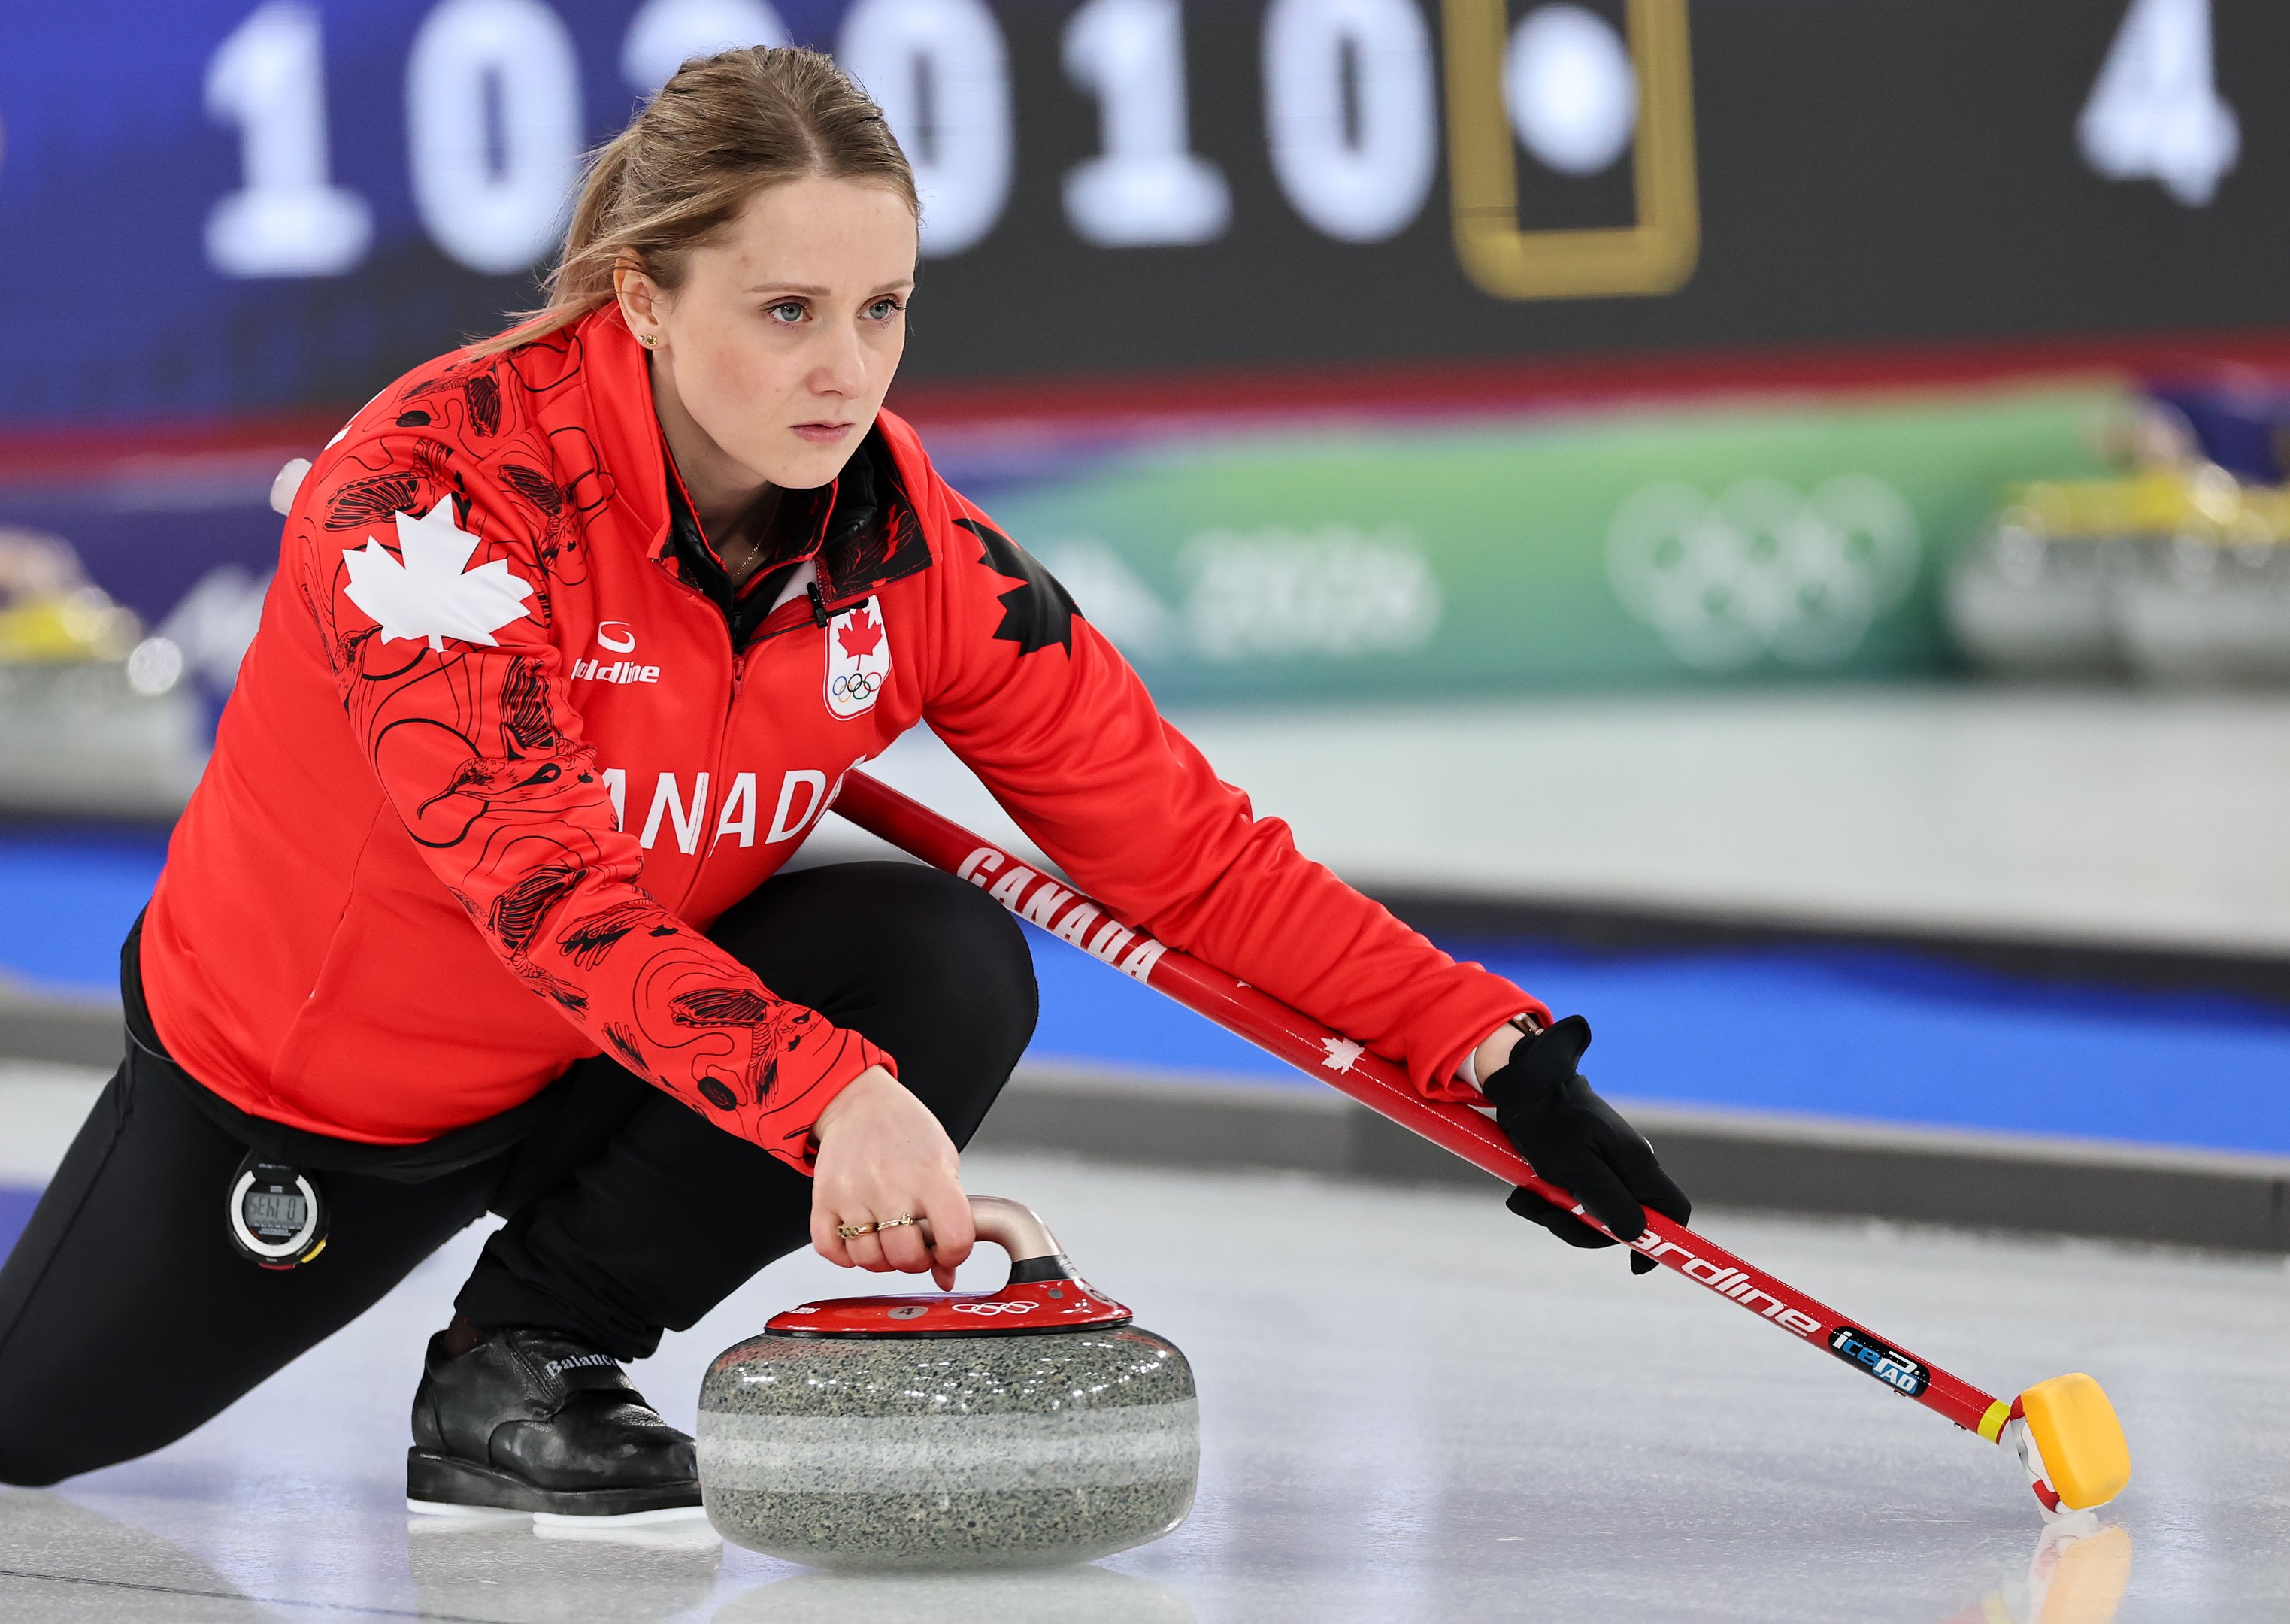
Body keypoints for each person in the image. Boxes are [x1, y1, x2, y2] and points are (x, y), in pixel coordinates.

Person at [0, 47, 1687, 1516]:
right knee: (26, 1431)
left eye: (881, 309)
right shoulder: (434, 503)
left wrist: (1485, 1050)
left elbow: (1187, 856)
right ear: (643, 298)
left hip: (619, 1066)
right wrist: (829, 1098)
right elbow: (545, 893)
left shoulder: (916, 552)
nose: (845, 372)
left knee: (941, 964)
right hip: (311, 1101)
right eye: (786, 311)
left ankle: (529, 1354)